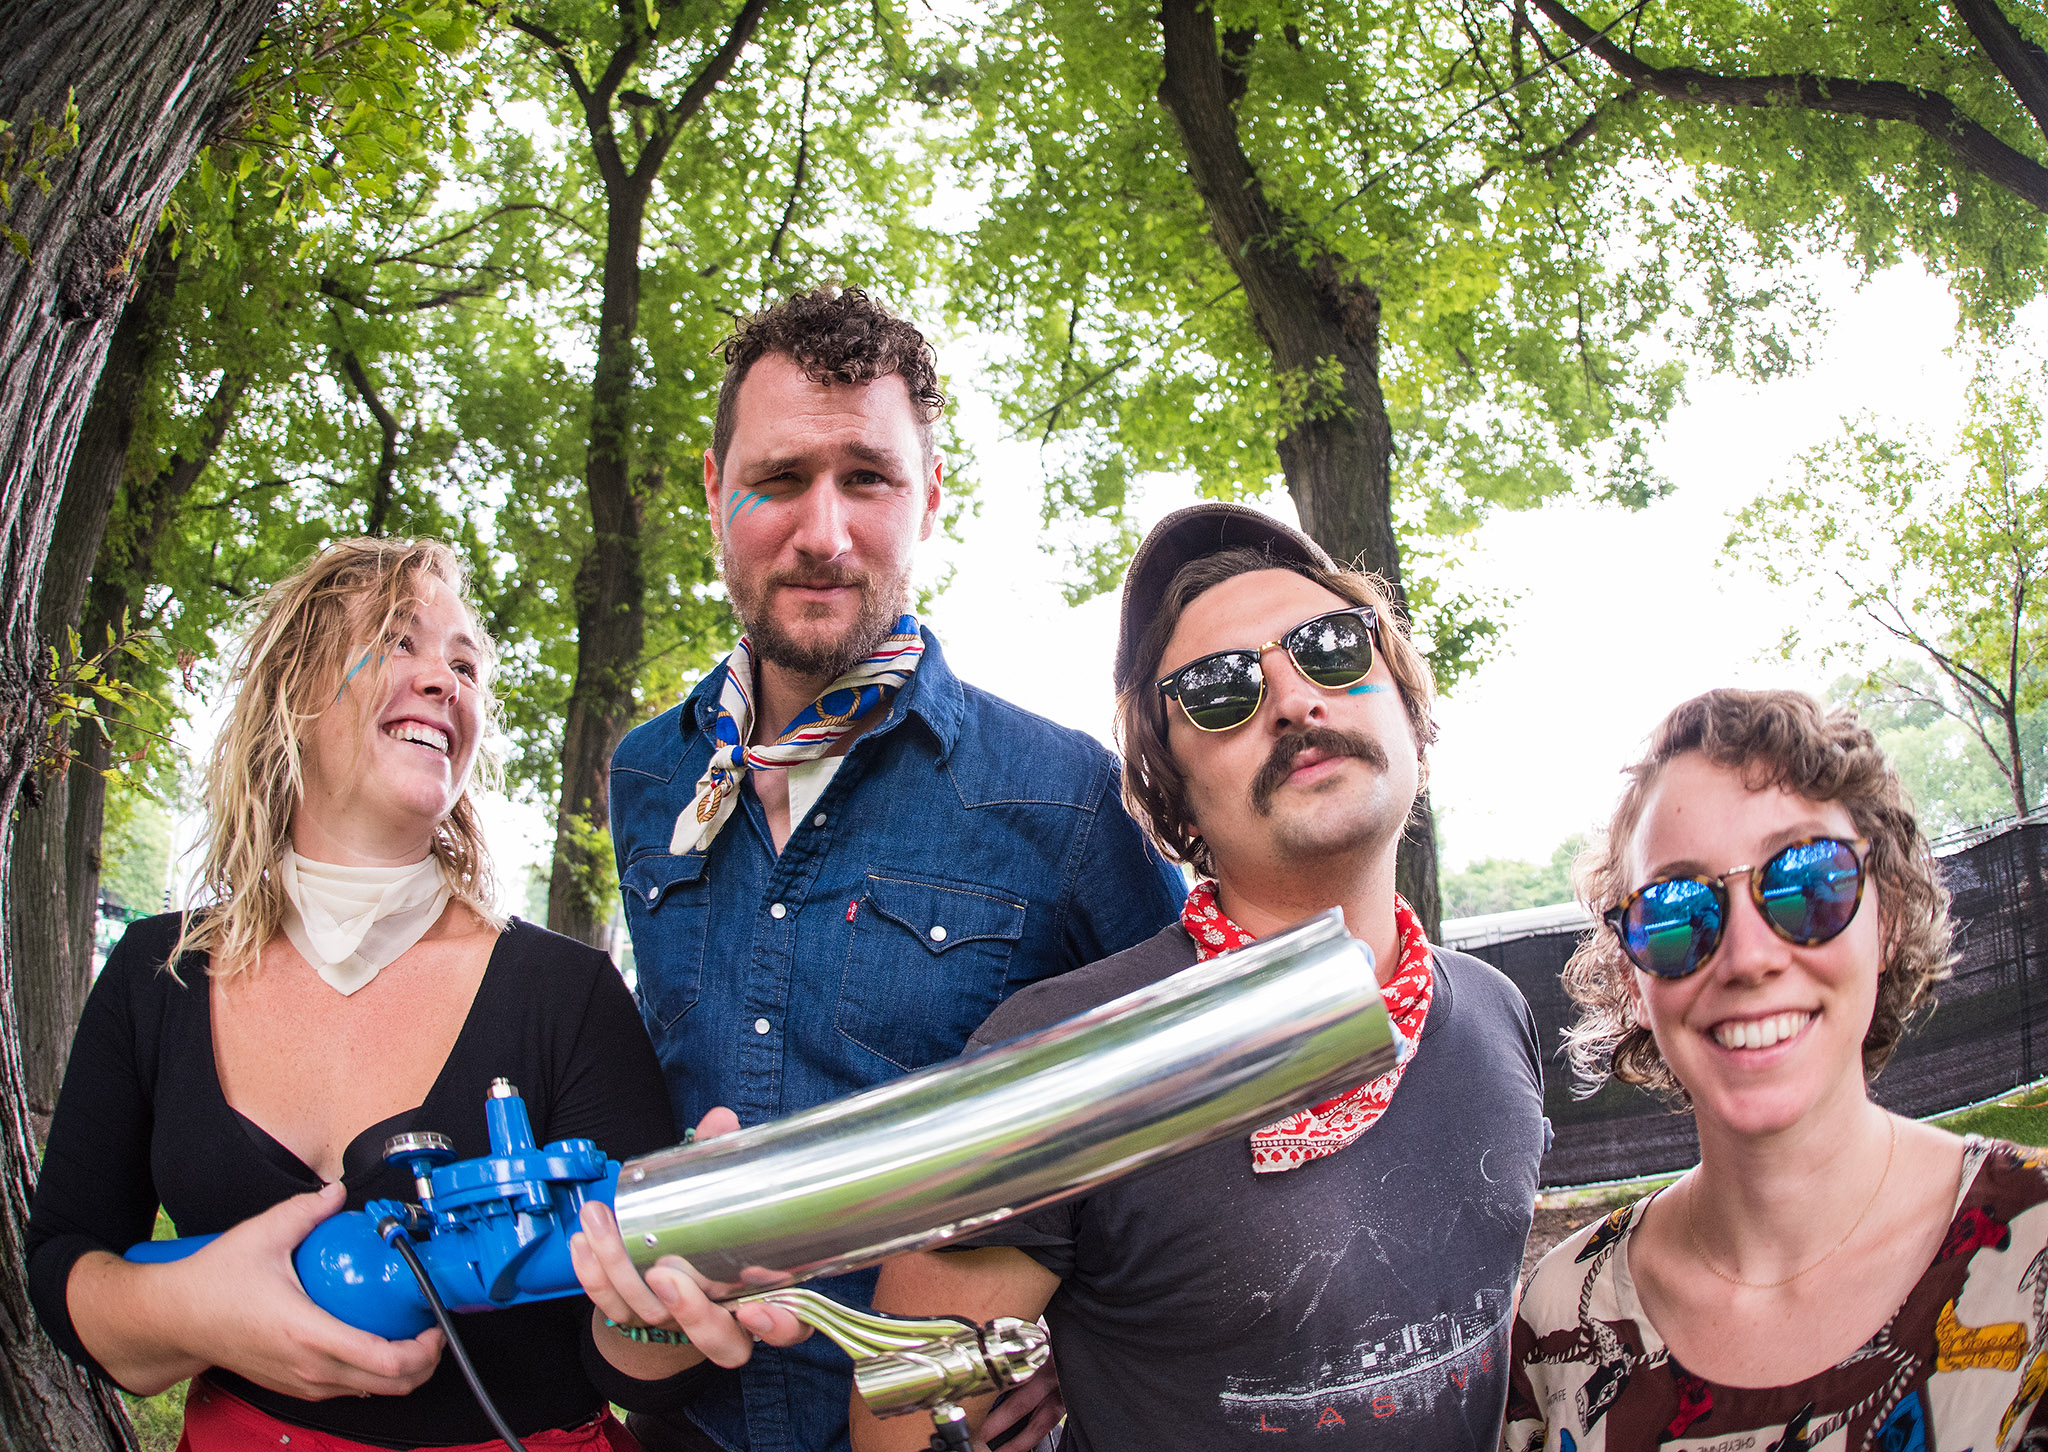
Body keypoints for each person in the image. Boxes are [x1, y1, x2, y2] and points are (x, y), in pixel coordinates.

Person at [26, 538, 800, 1452]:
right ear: (294, 689)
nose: (445, 681)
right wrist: (193, 1312)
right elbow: (65, 1264)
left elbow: (625, 1363)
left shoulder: (568, 993)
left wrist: (665, 1314)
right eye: (399, 641)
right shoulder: (159, 971)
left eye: (465, 666)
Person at [607, 289, 1186, 1452]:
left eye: (866, 478)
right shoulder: (647, 777)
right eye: (777, 478)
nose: (821, 532)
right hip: (693, 1424)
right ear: (714, 490)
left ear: (928, 498)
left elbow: (1176, 1124)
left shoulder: (1062, 796)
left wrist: (1075, 1346)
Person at [853, 502, 1549, 1451]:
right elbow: (897, 1434)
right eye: (1221, 690)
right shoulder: (1066, 1061)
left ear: (1412, 718)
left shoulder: (1497, 1013)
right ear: (1172, 794)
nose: (1294, 701)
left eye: (1332, 647)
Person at [1505, 688, 2048, 1452]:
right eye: (1675, 910)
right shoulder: (1557, 1322)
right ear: (1631, 978)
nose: (1748, 957)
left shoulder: (2034, 1238)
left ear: (1888, 919)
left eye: (1807, 883)